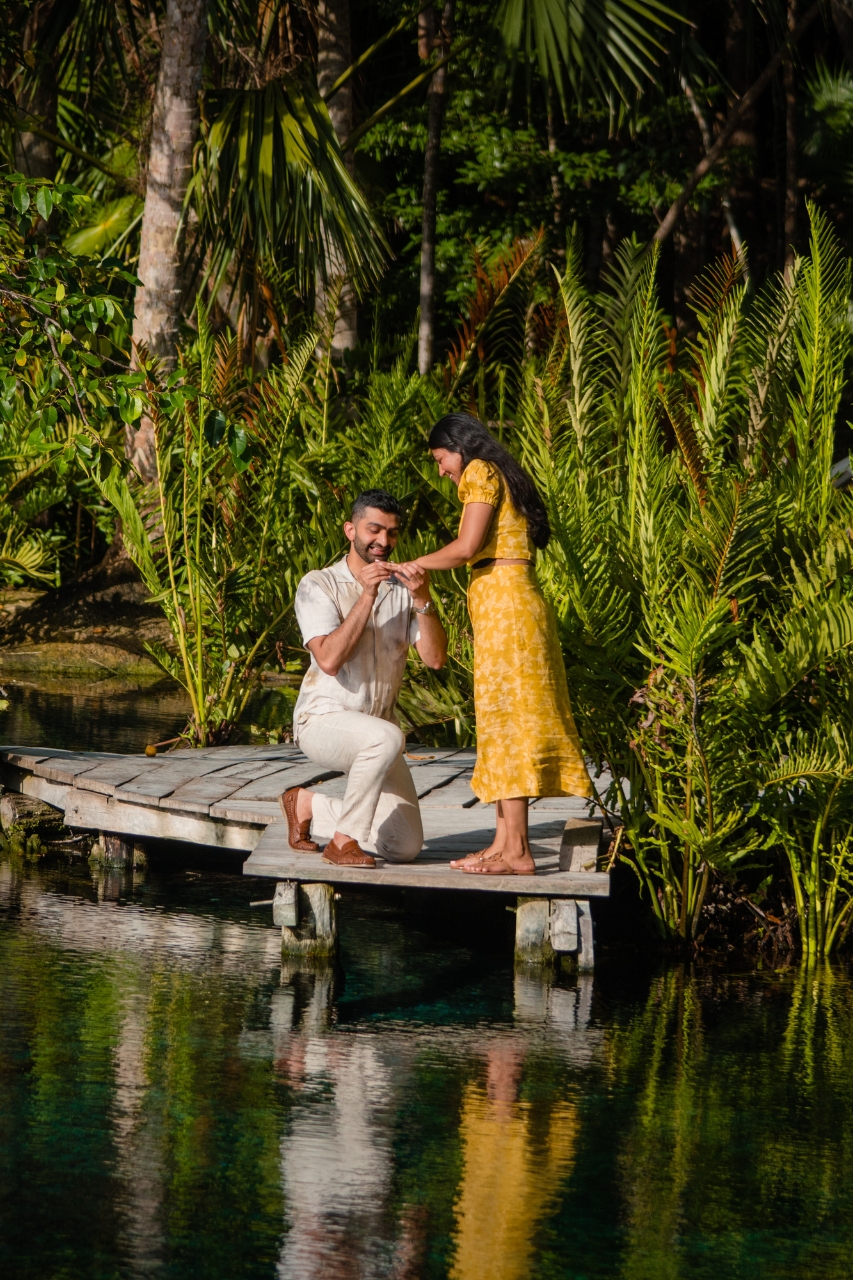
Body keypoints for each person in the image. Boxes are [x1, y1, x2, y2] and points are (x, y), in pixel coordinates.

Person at [396, 413, 591, 875]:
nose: (441, 471)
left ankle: (519, 852)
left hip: (508, 607)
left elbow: (466, 547)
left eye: (441, 460)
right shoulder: (500, 473)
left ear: (460, 448)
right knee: (502, 718)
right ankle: (504, 844)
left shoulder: (481, 470)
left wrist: (408, 564)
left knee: (512, 721)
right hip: (508, 603)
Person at [280, 489, 447, 868]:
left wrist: (422, 597)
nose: (384, 542)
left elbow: (435, 659)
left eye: (392, 532)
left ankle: (306, 804)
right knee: (387, 735)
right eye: (374, 530)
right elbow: (329, 659)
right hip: (322, 721)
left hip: (377, 734)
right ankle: (342, 843)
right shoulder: (318, 584)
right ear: (350, 530)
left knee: (403, 845)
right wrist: (367, 594)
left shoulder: (404, 591)